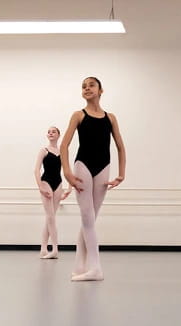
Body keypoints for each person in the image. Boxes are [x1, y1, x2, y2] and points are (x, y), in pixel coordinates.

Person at [60, 77, 126, 281]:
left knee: (89, 219)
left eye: (91, 85)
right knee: (87, 218)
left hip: (104, 168)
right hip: (83, 167)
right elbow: (64, 146)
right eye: (83, 86)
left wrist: (121, 175)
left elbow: (120, 147)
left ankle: (80, 265)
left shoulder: (111, 118)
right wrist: (67, 172)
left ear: (101, 90)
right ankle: (95, 267)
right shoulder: (78, 115)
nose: (87, 88)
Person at [34, 126, 71, 259]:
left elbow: (68, 170)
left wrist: (69, 188)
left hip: (58, 183)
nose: (50, 133)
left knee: (50, 218)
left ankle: (43, 249)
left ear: (58, 135)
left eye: (53, 131)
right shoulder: (43, 151)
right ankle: (55, 249)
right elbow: (36, 170)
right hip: (46, 183)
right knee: (51, 217)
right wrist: (40, 187)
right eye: (49, 132)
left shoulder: (62, 151)